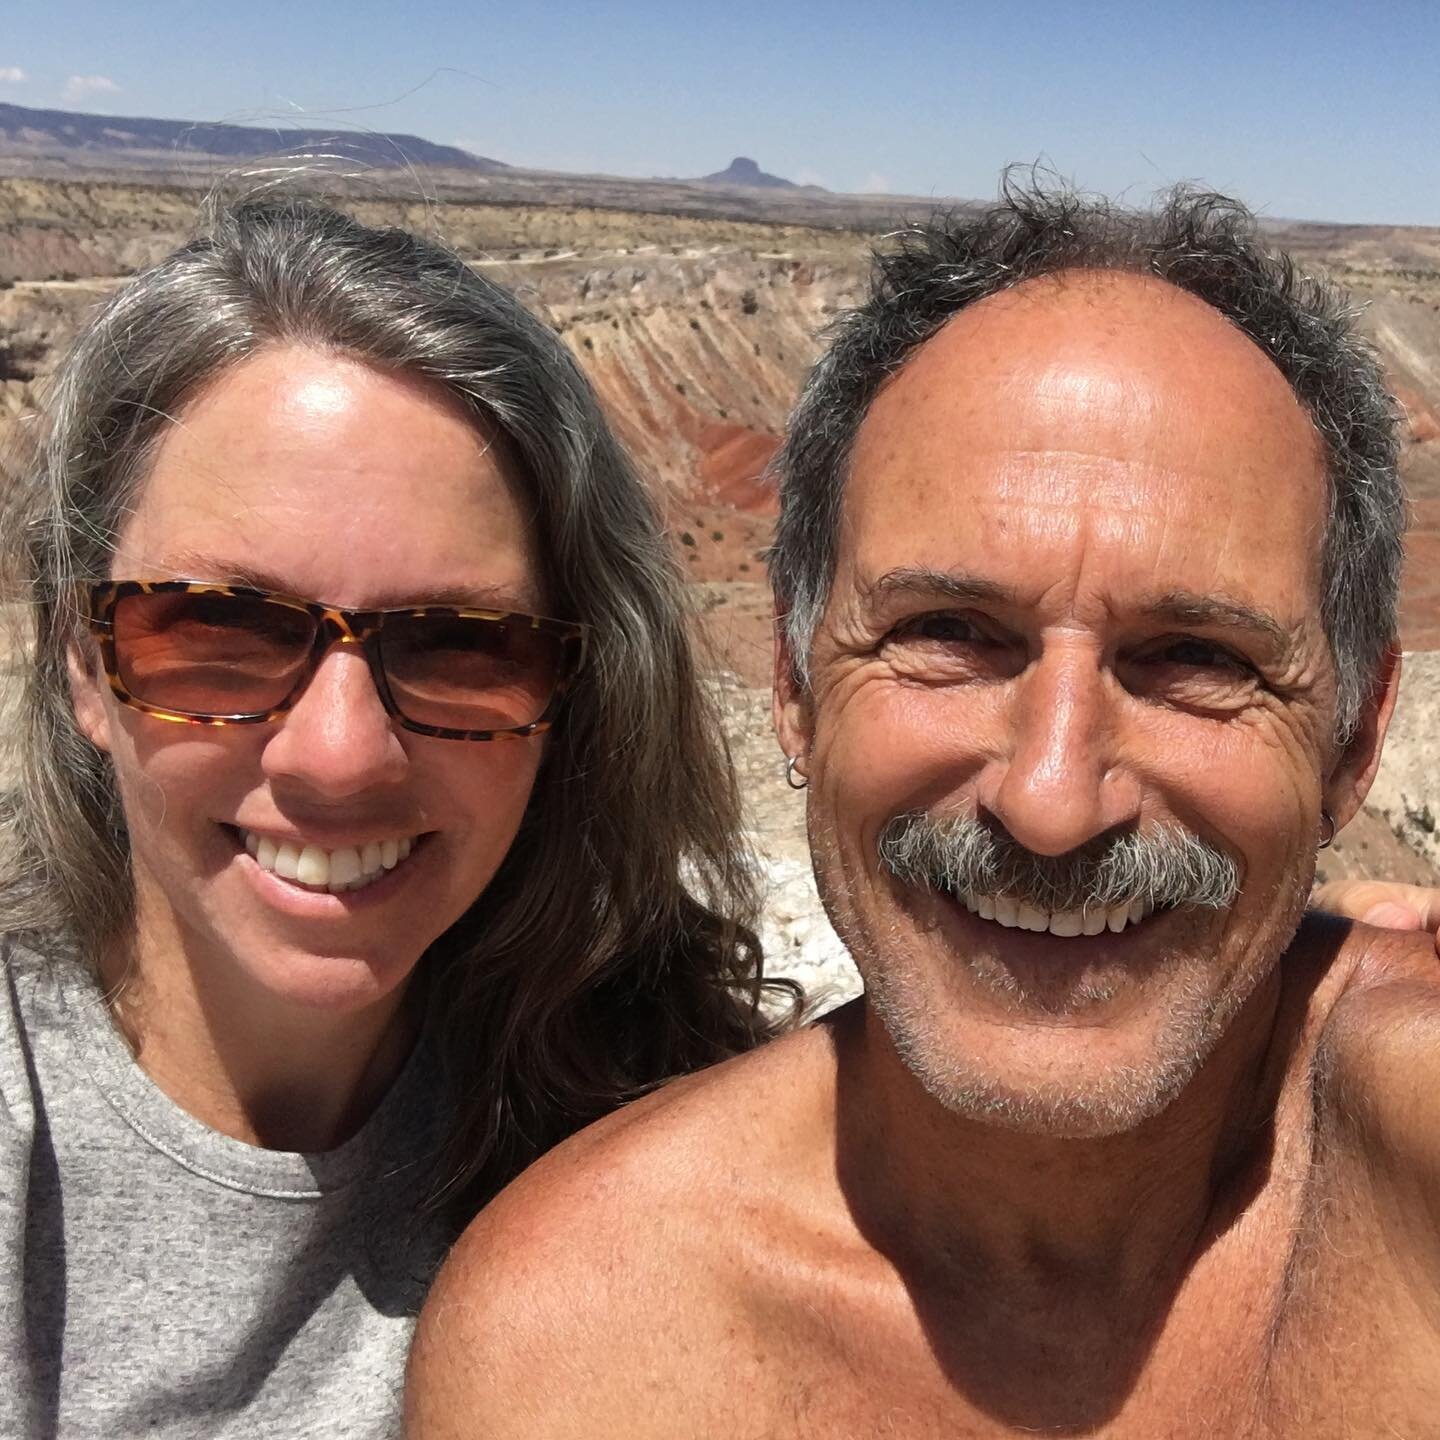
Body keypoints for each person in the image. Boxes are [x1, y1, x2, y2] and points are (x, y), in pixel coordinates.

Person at [408, 184, 1440, 1438]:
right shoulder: (578, 1344)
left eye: (1198, 658)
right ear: (792, 685)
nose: (1053, 802)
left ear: (1356, 743)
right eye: (947, 633)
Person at [0, 193, 792, 1438]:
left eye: (460, 645)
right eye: (218, 628)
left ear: (574, 703)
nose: (339, 756)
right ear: (82, 669)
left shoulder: (665, 1120)